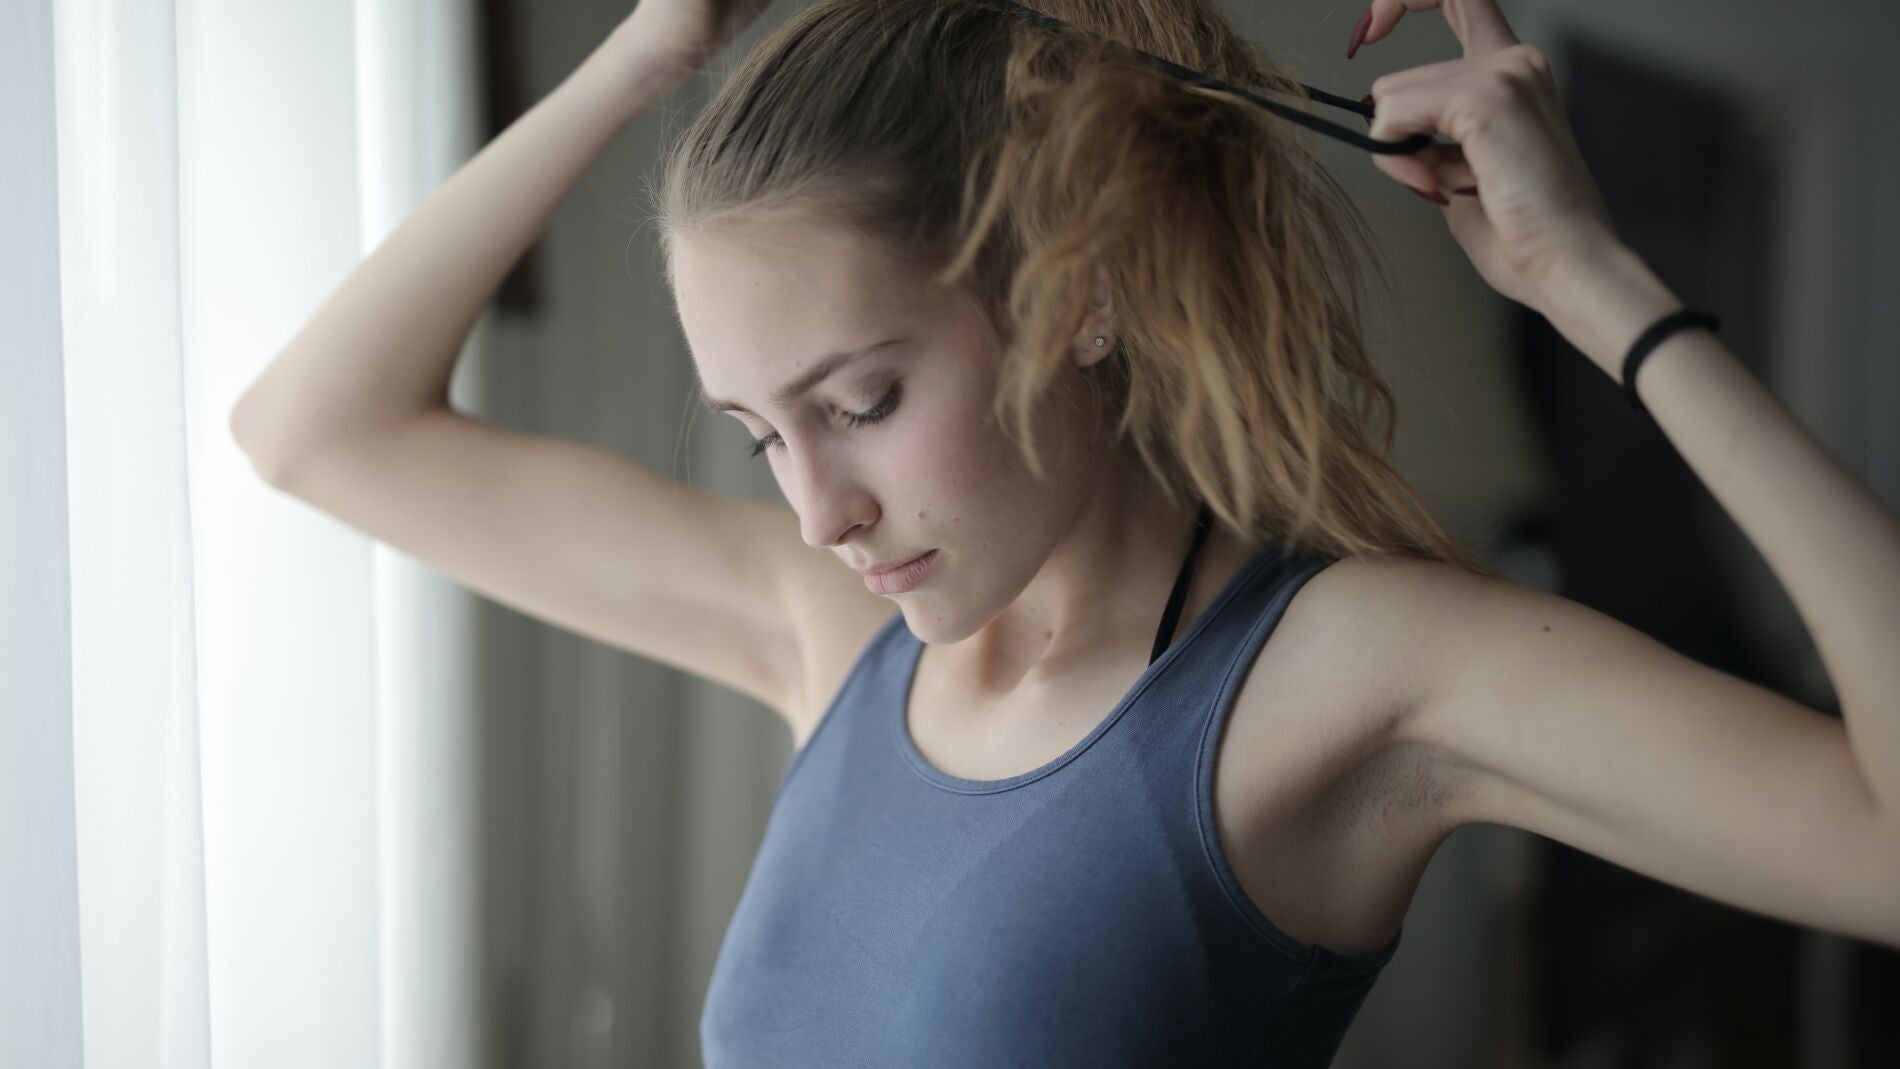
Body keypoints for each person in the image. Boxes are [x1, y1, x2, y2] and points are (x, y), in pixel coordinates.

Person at [230, 0, 1900, 1064]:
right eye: (759, 433)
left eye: (862, 398)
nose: (815, 509)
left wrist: (1593, 288)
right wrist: (649, 52)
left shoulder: (1340, 674)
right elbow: (311, 431)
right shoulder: (841, 640)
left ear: (1080, 295)